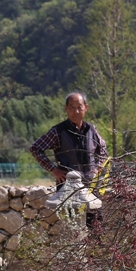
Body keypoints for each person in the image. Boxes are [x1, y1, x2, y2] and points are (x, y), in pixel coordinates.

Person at [29, 92, 108, 228]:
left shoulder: (91, 130)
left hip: (91, 186)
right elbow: (35, 148)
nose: (76, 111)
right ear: (66, 109)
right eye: (72, 107)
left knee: (96, 227)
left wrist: (97, 167)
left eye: (79, 107)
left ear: (86, 108)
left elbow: (103, 149)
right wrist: (53, 169)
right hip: (68, 188)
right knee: (71, 228)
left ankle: (94, 249)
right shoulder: (58, 131)